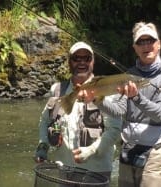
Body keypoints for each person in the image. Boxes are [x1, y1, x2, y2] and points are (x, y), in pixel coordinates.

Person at [78, 22, 161, 187]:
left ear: (159, 44)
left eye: (150, 41)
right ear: (135, 47)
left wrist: (136, 97)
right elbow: (118, 111)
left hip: (157, 150)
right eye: (141, 42)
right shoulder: (129, 76)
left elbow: (160, 113)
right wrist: (97, 100)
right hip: (129, 148)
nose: (146, 45)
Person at [34, 41, 121, 181]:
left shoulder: (107, 89)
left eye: (86, 58)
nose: (81, 63)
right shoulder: (57, 90)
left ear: (93, 62)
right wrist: (43, 145)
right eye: (76, 58)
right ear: (69, 62)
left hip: (95, 172)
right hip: (63, 170)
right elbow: (45, 121)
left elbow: (115, 129)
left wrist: (91, 150)